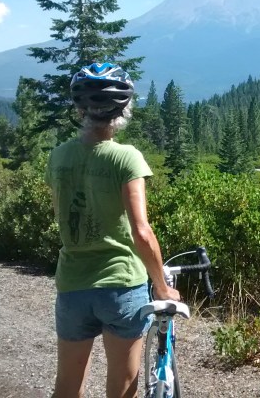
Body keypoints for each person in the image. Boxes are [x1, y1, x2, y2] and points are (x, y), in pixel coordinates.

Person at [45, 62, 179, 398]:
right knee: (121, 386)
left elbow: (60, 214)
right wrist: (161, 287)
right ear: (124, 109)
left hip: (73, 284)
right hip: (121, 286)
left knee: (67, 384)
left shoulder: (59, 156)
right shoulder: (127, 158)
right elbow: (142, 232)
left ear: (80, 109)